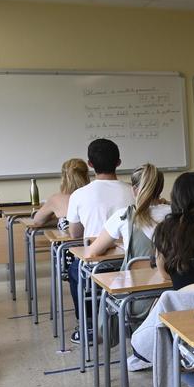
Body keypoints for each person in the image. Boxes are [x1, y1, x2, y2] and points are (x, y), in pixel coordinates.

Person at [66, 138, 134, 343]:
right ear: (119, 162)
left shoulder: (79, 194)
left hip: (97, 265)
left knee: (74, 270)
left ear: (90, 164)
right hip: (132, 263)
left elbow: (75, 234)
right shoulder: (134, 191)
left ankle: (88, 326)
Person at [85, 163, 167, 267]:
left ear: (134, 190)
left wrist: (111, 244)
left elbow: (91, 253)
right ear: (161, 188)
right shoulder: (175, 213)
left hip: (135, 277)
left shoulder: (124, 216)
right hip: (171, 275)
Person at [27, 158, 89, 230]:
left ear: (64, 177)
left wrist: (59, 218)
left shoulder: (56, 199)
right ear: (86, 175)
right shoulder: (94, 195)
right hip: (94, 236)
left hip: (70, 237)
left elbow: (37, 221)